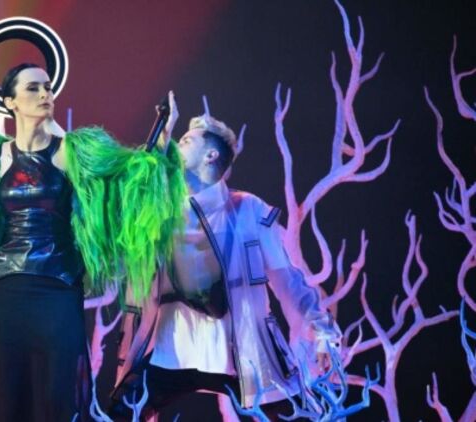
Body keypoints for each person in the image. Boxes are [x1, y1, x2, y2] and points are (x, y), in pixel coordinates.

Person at [0, 63, 187, 421]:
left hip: (58, 289)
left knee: (58, 392)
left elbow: (129, 183)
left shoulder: (73, 151)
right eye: (33, 88)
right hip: (9, 291)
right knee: (10, 392)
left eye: (48, 87)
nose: (45, 94)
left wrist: (163, 137)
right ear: (10, 102)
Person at [108, 96, 341, 421]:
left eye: (185, 141)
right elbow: (132, 196)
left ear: (211, 155)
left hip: (242, 354)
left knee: (299, 415)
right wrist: (161, 136)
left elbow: (288, 280)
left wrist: (322, 332)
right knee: (120, 413)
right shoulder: (160, 213)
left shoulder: (248, 210)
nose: (175, 146)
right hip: (170, 354)